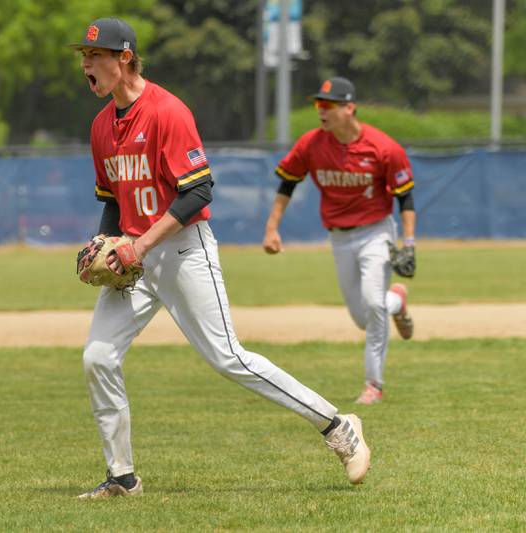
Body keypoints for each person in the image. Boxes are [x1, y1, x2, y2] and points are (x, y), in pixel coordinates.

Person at [71, 18, 370, 499]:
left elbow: (198, 192)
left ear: (124, 58)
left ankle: (337, 425)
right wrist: (104, 245)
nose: (85, 64)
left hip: (183, 248)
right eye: (83, 57)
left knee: (229, 358)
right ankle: (122, 477)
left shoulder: (167, 111)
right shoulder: (102, 126)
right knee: (98, 358)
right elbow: (112, 197)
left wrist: (141, 245)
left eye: (94, 55)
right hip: (135, 257)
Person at [262, 76, 417, 406]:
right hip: (339, 237)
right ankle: (398, 302)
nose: (321, 111)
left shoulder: (383, 147)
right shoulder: (311, 144)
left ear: (349, 108)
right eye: (319, 104)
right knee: (364, 318)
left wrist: (410, 241)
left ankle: (373, 384)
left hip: (376, 232)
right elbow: (287, 183)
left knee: (373, 305)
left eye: (328, 105)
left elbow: (406, 197)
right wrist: (272, 228)